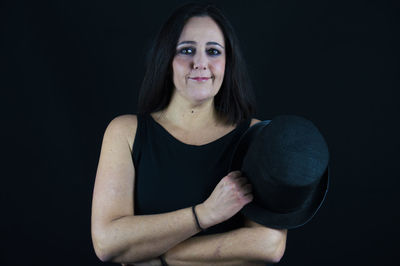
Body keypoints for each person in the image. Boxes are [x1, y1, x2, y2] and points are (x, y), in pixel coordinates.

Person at [91, 2, 287, 265]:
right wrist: (204, 214)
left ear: (228, 63)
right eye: (187, 50)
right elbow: (107, 242)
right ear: (166, 59)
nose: (200, 63)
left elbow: (269, 244)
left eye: (214, 51)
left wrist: (160, 256)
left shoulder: (256, 136)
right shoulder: (125, 132)